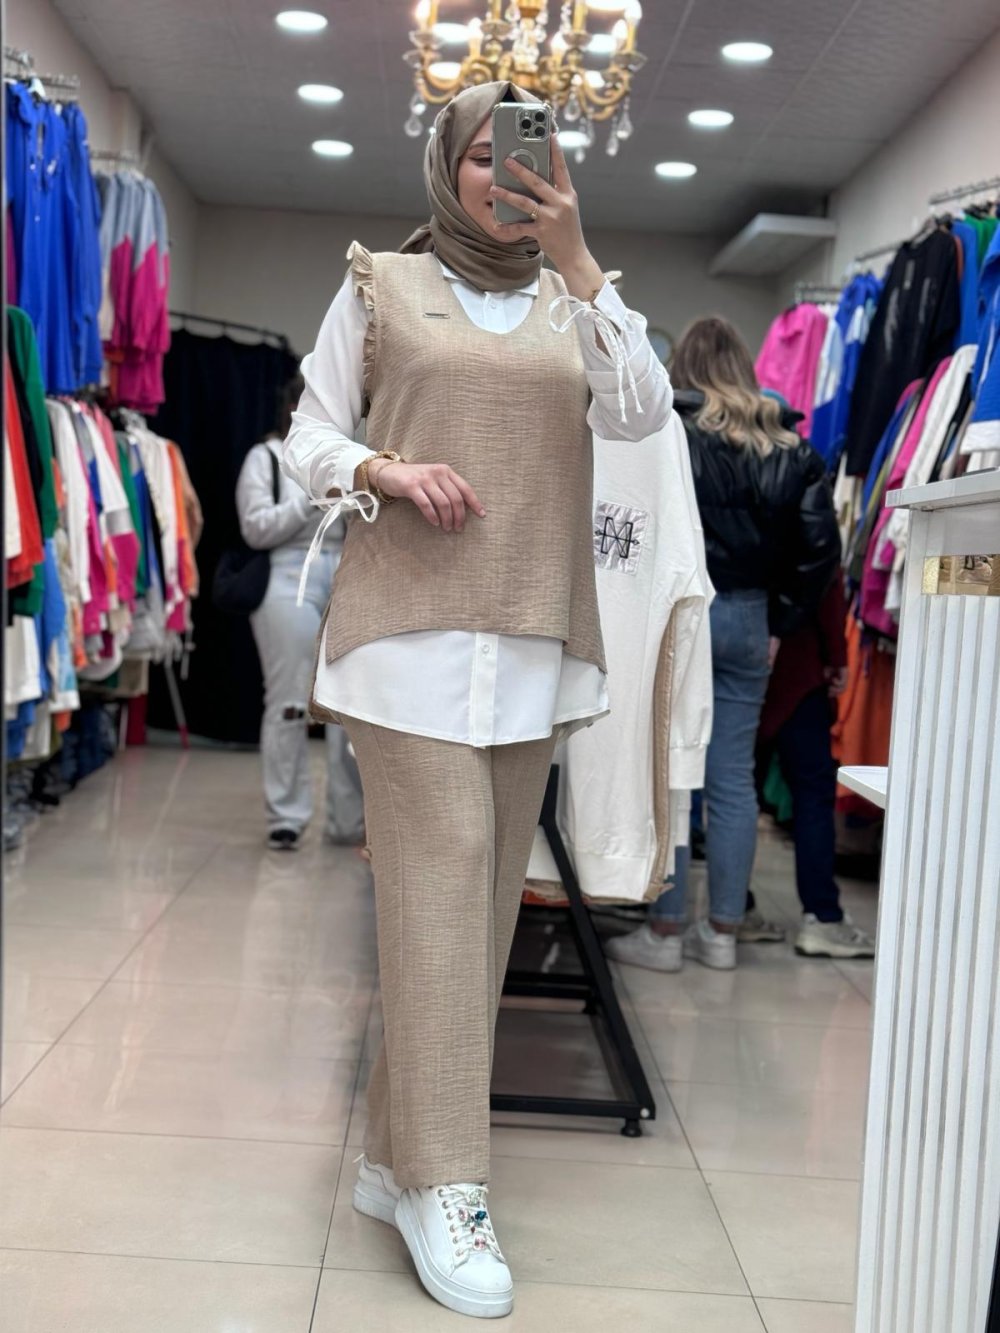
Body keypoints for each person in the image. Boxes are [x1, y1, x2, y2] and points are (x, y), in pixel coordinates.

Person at [282, 82, 671, 1320]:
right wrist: (384, 469)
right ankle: (447, 1183)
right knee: (446, 882)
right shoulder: (380, 288)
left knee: (481, 912)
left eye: (533, 156)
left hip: (532, 647)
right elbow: (307, 434)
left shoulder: (573, 305)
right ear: (449, 167)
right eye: (488, 157)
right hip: (404, 646)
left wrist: (581, 259)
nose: (511, 175)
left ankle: (389, 1156)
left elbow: (642, 413)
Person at [607, 316, 840, 974]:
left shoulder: (669, 432)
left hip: (678, 612)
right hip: (748, 617)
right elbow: (821, 552)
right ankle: (722, 934)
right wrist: (780, 623)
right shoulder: (790, 445)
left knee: (672, 773)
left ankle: (665, 931)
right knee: (733, 778)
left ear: (681, 366)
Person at [235, 375, 365, 852]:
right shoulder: (265, 457)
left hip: (345, 577)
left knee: (347, 706)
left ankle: (349, 820)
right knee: (290, 702)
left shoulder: (349, 455)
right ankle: (286, 816)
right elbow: (255, 529)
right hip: (287, 577)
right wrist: (313, 502)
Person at [754, 578, 876, 958]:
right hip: (800, 665)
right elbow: (826, 587)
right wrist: (837, 658)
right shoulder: (813, 534)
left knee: (737, 788)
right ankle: (822, 917)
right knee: (813, 794)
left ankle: (730, 912)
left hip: (745, 652)